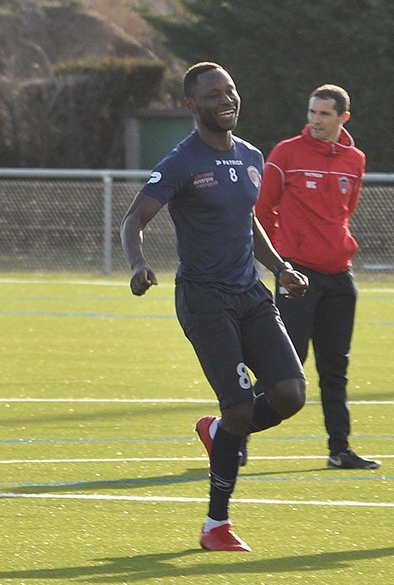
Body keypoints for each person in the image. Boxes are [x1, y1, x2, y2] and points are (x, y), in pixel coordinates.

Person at [120, 62, 309, 553]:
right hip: (204, 300)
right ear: (192, 105)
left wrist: (279, 267)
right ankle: (215, 526)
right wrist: (138, 264)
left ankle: (220, 431)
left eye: (230, 91)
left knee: (290, 394)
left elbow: (248, 222)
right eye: (213, 95)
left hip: (250, 294)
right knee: (243, 405)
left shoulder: (251, 156)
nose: (226, 100)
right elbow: (133, 219)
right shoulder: (182, 161)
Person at [256, 85, 378, 470]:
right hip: (297, 276)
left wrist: (332, 247)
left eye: (325, 114)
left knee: (335, 367)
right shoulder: (286, 153)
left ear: (343, 118)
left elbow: (344, 212)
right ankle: (234, 433)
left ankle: (339, 450)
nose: (315, 120)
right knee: (283, 364)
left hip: (341, 277)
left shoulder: (355, 160)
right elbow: (262, 209)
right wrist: (284, 260)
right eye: (312, 112)